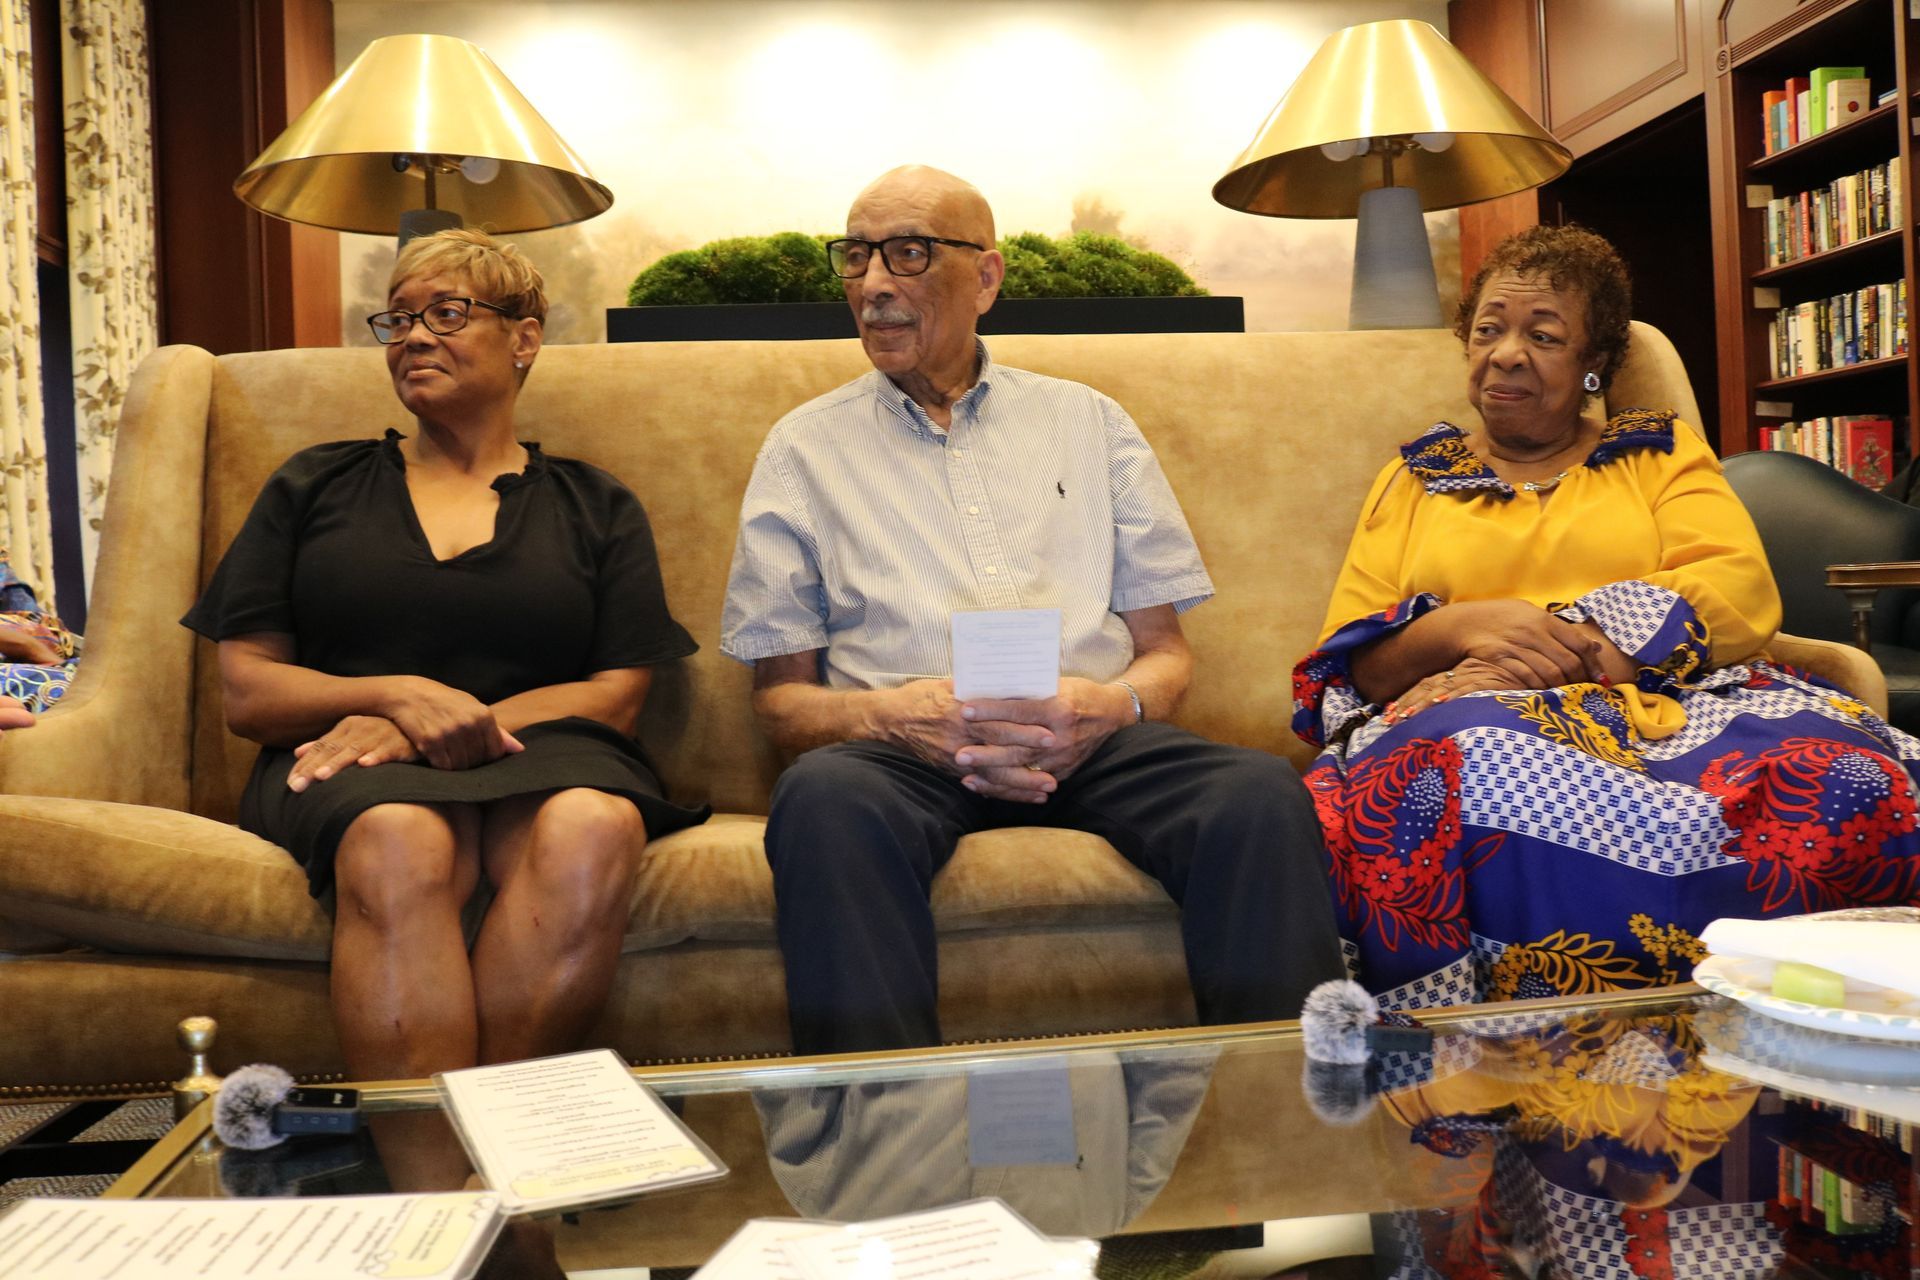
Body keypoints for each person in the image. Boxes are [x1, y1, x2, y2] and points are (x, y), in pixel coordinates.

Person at [721, 165, 1341, 1055]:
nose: (873, 286)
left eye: (907, 254)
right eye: (856, 257)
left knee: (1255, 794)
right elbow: (778, 702)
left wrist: (1110, 705)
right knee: (822, 800)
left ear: (986, 278)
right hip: (905, 751)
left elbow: (1165, 652)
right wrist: (892, 715)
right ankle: (888, 1152)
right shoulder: (801, 450)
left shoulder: (1090, 423)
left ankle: (1279, 1129)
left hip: (1088, 737)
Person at [1293, 223, 1920, 1011]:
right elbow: (1350, 666)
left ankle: (1808, 1034)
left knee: (1848, 771)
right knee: (1473, 766)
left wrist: (1569, 644)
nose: (1507, 353)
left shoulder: (1660, 455)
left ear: (1594, 365)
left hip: (1677, 709)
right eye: (1488, 330)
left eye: (1543, 335)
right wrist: (1465, 630)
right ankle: (1531, 1062)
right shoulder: (1416, 479)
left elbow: (1738, 585)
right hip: (1467, 717)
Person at [182, 229, 708, 1098]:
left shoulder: (596, 504)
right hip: (347, 757)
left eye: (448, 314)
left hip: (551, 745)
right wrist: (398, 701)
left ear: (525, 338)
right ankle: (453, 1198)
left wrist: (451, 725)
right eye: (398, 319)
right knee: (399, 837)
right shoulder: (313, 486)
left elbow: (615, 696)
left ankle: (494, 1183)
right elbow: (249, 693)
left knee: (594, 827)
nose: (413, 336)